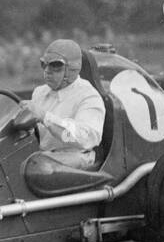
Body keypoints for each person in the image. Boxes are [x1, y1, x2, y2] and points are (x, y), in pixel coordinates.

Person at [16, 39, 106, 170]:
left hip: (76, 156)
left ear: (71, 70)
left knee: (37, 167)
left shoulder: (89, 96)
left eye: (55, 66)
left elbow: (84, 138)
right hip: (42, 156)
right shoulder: (39, 92)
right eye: (44, 64)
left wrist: (44, 117)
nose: (47, 71)